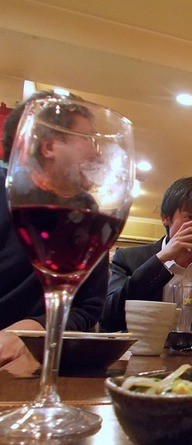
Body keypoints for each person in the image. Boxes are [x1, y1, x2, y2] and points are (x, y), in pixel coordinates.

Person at [0, 91, 109, 369]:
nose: (98, 152)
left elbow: (89, 308)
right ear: (48, 146)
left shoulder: (89, 212)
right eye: (89, 139)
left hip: (41, 365)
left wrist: (33, 329)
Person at [101, 177, 192, 332]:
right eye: (190, 217)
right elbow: (108, 317)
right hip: (146, 347)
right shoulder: (129, 259)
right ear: (166, 218)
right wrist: (161, 259)